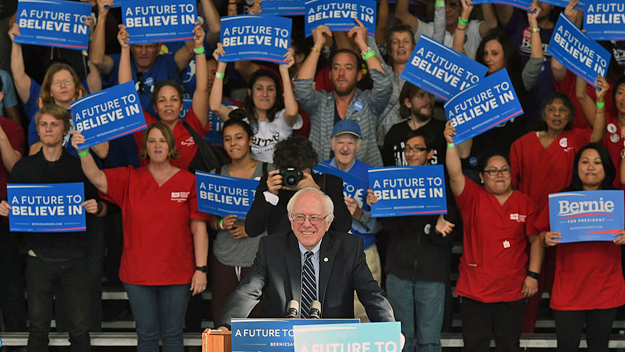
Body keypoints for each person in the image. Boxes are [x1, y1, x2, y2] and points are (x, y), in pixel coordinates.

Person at [72, 122, 210, 351]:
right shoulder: (129, 177)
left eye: (162, 140)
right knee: (146, 335)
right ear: (145, 147)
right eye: (152, 141)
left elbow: (199, 229)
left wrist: (201, 269)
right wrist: (84, 151)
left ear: (171, 146)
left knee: (173, 334)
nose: (157, 146)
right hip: (137, 274)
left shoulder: (189, 181)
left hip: (177, 273)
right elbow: (96, 177)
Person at [0, 104, 106, 351]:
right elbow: (14, 207)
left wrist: (96, 207)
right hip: (38, 259)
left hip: (76, 259)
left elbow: (103, 207)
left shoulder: (80, 166)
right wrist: (4, 208)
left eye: (54, 125)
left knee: (80, 332)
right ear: (37, 129)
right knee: (38, 332)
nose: (48, 129)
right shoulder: (23, 168)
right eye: (44, 125)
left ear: (65, 130)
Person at [218, 187, 395, 326]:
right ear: (290, 218)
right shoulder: (271, 247)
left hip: (333, 341)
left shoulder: (349, 248)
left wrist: (389, 327)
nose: (306, 224)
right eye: (299, 216)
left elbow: (371, 293)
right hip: (283, 342)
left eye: (315, 217)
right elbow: (248, 292)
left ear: (328, 221)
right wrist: (226, 325)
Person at [509, 85, 607, 333]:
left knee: (564, 282)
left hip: (568, 223)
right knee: (530, 282)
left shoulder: (576, 138)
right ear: (543, 114)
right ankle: (526, 336)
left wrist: (600, 102)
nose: (556, 113)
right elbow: (512, 185)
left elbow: (598, 132)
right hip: (532, 227)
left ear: (570, 116)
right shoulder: (522, 144)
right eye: (551, 109)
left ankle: (567, 333)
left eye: (562, 110)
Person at [444, 122, 543, 352]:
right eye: (493, 171)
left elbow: (535, 240)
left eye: (504, 169)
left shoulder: (524, 202)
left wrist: (533, 275)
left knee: (509, 346)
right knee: (475, 346)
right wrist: (450, 143)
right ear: (481, 176)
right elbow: (454, 173)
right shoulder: (471, 197)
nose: (500, 175)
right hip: (475, 291)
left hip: (512, 291)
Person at [368, 129, 458, 352]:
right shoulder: (392, 182)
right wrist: (378, 206)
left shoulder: (443, 185)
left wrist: (436, 231)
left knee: (429, 341)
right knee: (401, 340)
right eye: (408, 149)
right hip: (399, 272)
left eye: (418, 149)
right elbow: (390, 229)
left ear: (430, 154)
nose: (411, 153)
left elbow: (450, 229)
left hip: (432, 273)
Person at [539, 143, 625, 352]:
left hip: (606, 287)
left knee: (599, 347)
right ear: (576, 167)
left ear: (606, 168)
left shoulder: (617, 199)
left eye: (597, 162)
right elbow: (539, 234)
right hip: (569, 289)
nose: (590, 167)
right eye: (585, 162)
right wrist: (545, 239)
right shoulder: (561, 199)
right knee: (566, 347)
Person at [293, 20, 391, 167]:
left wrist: (363, 45)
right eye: (336, 67)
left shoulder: (369, 103)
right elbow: (301, 88)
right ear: (330, 75)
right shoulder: (319, 103)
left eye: (348, 68)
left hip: (364, 184)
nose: (341, 73)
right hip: (323, 183)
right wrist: (317, 45)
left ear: (359, 75)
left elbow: (384, 84)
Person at [117, 23, 210, 172]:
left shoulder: (193, 125)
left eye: (174, 99)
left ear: (181, 105)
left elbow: (202, 89)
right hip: (150, 192)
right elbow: (125, 94)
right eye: (162, 100)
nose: (168, 104)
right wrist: (125, 48)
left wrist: (199, 48)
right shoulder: (146, 129)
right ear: (155, 107)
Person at [453, 0, 543, 154]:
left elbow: (536, 60)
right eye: (485, 53)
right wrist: (464, 15)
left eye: (495, 54)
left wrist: (533, 23)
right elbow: (456, 55)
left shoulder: (519, 81)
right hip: (481, 157)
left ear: (506, 56)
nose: (488, 58)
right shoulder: (476, 81)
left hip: (512, 156)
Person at [9, 23, 109, 158]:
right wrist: (16, 43)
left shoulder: (89, 111)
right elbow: (18, 75)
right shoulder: (40, 111)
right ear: (49, 91)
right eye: (57, 83)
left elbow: (103, 153)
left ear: (76, 85)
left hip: (85, 172)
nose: (63, 86)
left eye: (67, 81)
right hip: (52, 175)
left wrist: (80, 119)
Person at [318, 119, 382, 322]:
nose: (345, 148)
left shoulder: (372, 174)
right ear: (331, 143)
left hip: (363, 250)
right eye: (340, 142)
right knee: (326, 311)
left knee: (364, 312)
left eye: (351, 143)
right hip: (326, 250)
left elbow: (382, 225)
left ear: (360, 145)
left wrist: (359, 214)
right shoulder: (318, 173)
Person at [91, 0, 198, 116]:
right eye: (138, 47)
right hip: (129, 131)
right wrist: (102, 16)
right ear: (131, 47)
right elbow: (97, 59)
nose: (143, 52)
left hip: (161, 131)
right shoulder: (120, 61)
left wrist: (181, 13)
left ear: (159, 47)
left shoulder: (167, 62)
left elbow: (190, 50)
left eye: (149, 47)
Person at [209, 118, 269, 324]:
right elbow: (207, 221)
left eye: (239, 137)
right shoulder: (215, 176)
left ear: (251, 140)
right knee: (224, 324)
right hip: (224, 259)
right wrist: (221, 224)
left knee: (259, 326)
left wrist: (250, 228)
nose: (233, 143)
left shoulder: (269, 172)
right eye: (227, 139)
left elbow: (283, 218)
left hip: (259, 261)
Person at [209, 45, 302, 163]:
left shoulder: (282, 118)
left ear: (277, 94)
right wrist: (221, 66)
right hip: (252, 178)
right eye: (259, 88)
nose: (264, 94)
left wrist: (284, 71)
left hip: (278, 177)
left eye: (270, 89)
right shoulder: (241, 117)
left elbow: (292, 112)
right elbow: (215, 106)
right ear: (250, 92)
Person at [245, 135, 352, 237]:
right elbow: (252, 230)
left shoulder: (329, 183)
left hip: (321, 252)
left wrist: (317, 191)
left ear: (310, 165)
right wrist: (270, 195)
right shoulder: (271, 184)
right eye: (289, 171)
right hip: (281, 252)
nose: (293, 177)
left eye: (299, 170)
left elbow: (343, 226)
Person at [0, 76, 27, 335]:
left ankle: (16, 341)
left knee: (10, 285)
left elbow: (16, 169)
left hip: (4, 219)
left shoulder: (12, 128)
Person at [395, 0, 497, 59]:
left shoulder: (473, 28)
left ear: (461, 7)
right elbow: (401, 14)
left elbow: (492, 25)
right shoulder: (426, 29)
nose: (447, 10)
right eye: (443, 5)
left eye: (453, 5)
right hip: (433, 93)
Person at [383, 83, 447, 167]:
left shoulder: (444, 130)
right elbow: (387, 172)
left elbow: (463, 156)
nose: (428, 101)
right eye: (421, 95)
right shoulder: (395, 132)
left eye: (431, 95)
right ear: (408, 102)